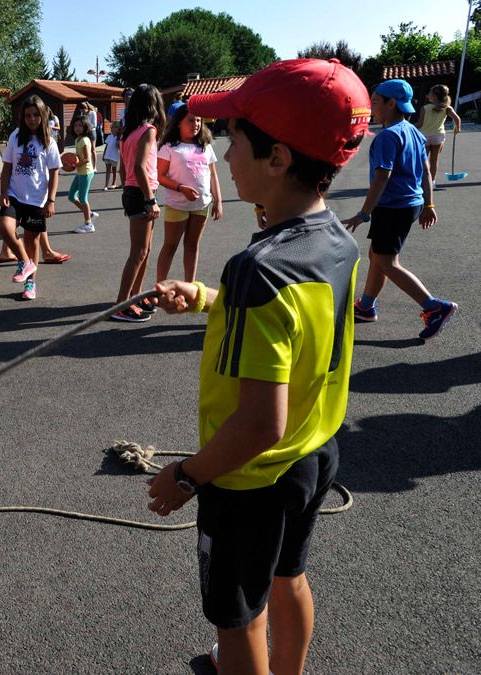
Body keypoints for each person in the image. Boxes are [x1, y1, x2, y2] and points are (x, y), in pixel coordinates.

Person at [147, 57, 369, 675]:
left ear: (277, 159)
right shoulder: (337, 241)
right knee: (287, 575)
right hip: (314, 453)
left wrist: (187, 476)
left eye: (236, 139)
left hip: (249, 479)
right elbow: (297, 330)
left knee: (236, 615)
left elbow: (258, 424)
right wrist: (207, 299)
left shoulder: (260, 267)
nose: (223, 155)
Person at [344, 78, 457, 341]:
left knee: (386, 261)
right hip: (410, 204)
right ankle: (366, 306)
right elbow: (427, 171)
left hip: (393, 206)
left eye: (374, 102)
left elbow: (382, 177)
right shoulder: (414, 133)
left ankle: (435, 307)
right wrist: (428, 204)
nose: (371, 107)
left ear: (391, 103)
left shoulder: (387, 137)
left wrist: (364, 213)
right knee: (377, 255)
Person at [0, 95, 61, 301]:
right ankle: (25, 262)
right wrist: (4, 192)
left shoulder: (48, 141)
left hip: (37, 199)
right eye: (27, 115)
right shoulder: (15, 136)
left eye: (35, 115)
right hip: (15, 195)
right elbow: (7, 167)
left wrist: (51, 200)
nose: (31, 119)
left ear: (42, 116)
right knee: (4, 227)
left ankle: (30, 283)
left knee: (32, 242)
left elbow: (54, 172)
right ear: (22, 117)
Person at [111, 84, 165, 322]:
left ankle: (135, 295)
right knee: (139, 252)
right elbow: (139, 167)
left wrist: (129, 188)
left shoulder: (128, 132)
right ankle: (121, 305)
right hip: (142, 193)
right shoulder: (148, 130)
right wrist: (150, 199)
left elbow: (125, 168)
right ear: (154, 104)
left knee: (145, 250)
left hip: (135, 191)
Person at [155, 104, 223, 283]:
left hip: (201, 206)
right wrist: (180, 188)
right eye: (191, 120)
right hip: (177, 205)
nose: (196, 124)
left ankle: (190, 286)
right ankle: (160, 287)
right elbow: (159, 176)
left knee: (192, 246)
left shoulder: (205, 146)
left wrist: (218, 201)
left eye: (199, 120)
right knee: (170, 247)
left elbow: (213, 175)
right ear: (178, 123)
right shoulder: (169, 147)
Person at [412, 84, 462, 183]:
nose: (428, 95)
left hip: (424, 136)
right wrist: (457, 128)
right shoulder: (447, 108)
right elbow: (457, 118)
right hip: (438, 136)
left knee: (423, 160)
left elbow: (420, 124)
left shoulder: (425, 108)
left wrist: (411, 126)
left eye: (430, 93)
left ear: (434, 96)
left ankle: (422, 181)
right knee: (434, 160)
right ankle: (432, 182)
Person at [69, 117, 100, 233]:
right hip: (81, 172)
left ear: (85, 127)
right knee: (71, 196)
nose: (77, 128)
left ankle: (89, 224)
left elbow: (87, 159)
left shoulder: (85, 140)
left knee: (82, 198)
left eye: (80, 126)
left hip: (86, 172)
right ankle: (90, 214)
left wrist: (74, 165)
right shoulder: (78, 139)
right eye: (76, 125)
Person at [102, 120, 122, 190]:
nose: (114, 129)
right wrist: (104, 155)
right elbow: (106, 146)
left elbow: (119, 147)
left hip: (114, 156)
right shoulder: (109, 137)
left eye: (116, 127)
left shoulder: (119, 138)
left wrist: (118, 142)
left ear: (119, 129)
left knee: (114, 170)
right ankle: (106, 185)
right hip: (107, 155)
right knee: (107, 170)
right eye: (113, 127)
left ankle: (113, 183)